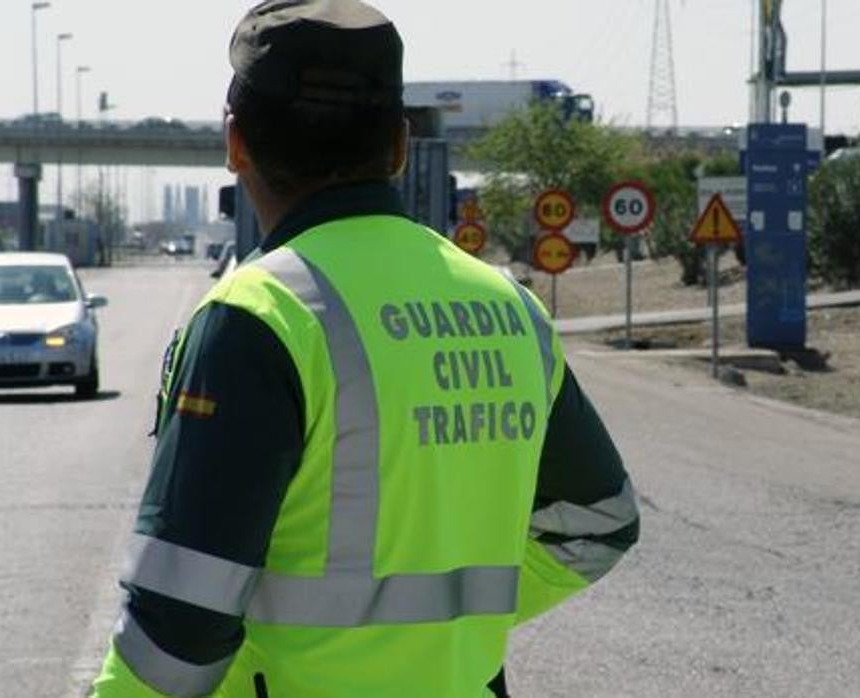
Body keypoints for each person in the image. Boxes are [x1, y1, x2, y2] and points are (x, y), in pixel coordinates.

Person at [92, 2, 639, 695]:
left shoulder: (257, 318)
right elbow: (601, 521)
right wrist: (441, 640)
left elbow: (178, 630)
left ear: (235, 143)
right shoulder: (509, 309)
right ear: (400, 147)